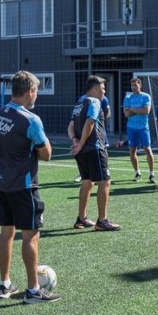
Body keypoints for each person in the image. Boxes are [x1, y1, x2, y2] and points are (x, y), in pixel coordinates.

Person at [0, 71, 60, 304]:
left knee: (6, 232)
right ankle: (33, 290)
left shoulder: (1, 112)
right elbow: (47, 154)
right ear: (30, 90)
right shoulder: (31, 119)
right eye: (36, 91)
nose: (37, 95)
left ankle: (5, 284)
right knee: (30, 235)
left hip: (0, 182)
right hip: (23, 185)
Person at [68, 75, 121, 231]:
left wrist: (75, 142)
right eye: (103, 88)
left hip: (83, 150)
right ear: (96, 88)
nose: (104, 92)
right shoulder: (95, 101)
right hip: (94, 148)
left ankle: (82, 219)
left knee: (87, 182)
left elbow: (71, 126)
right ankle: (102, 221)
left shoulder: (79, 102)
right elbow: (90, 123)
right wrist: (81, 143)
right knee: (105, 182)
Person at [123, 78, 155, 183]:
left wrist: (132, 109)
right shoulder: (128, 98)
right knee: (132, 150)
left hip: (143, 127)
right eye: (132, 86)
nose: (134, 87)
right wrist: (138, 110)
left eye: (135, 85)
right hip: (131, 128)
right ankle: (137, 172)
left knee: (148, 149)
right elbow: (126, 114)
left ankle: (151, 173)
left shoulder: (146, 96)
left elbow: (146, 111)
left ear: (140, 85)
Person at [73, 93, 110, 183]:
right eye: (102, 87)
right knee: (98, 182)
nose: (103, 90)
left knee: (103, 149)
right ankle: (83, 174)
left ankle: (104, 169)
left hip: (99, 134)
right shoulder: (81, 100)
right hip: (86, 138)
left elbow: (107, 113)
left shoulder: (103, 98)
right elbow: (76, 122)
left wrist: (100, 118)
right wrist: (76, 139)